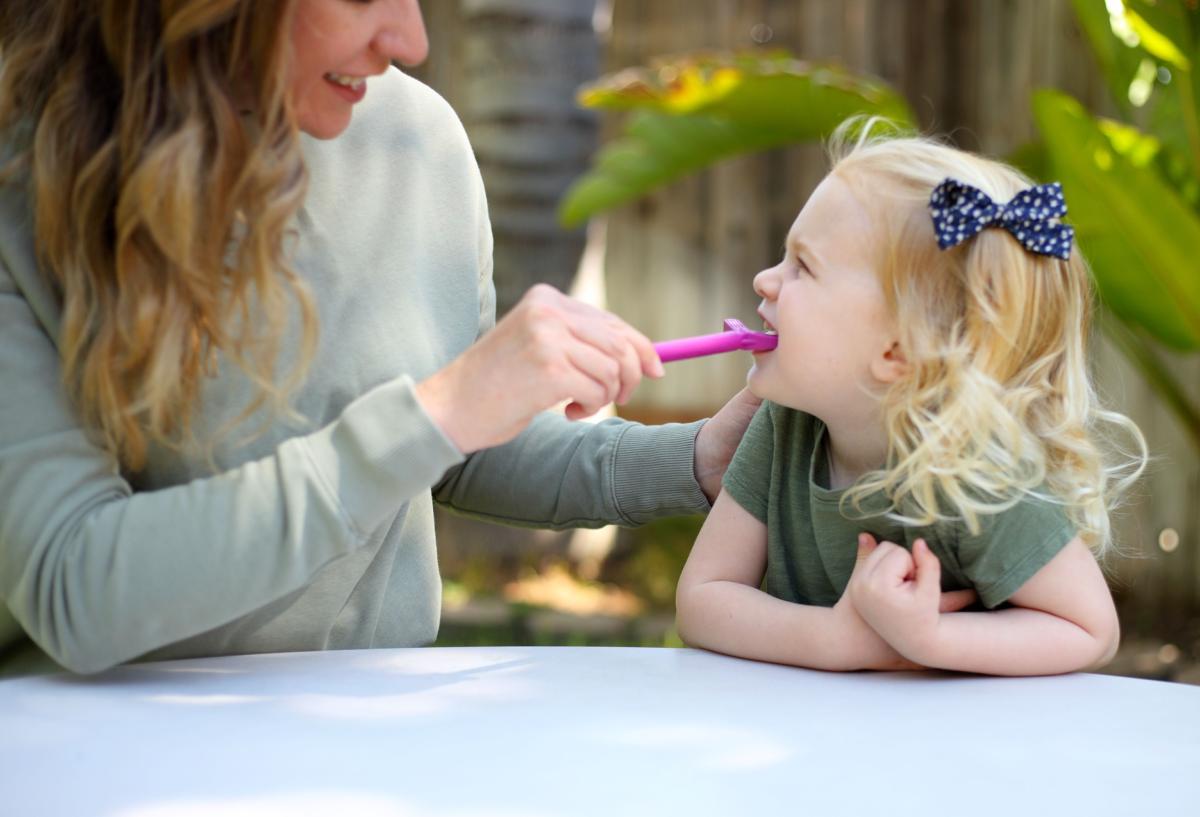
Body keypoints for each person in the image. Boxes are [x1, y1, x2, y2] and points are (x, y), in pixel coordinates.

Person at [0, 0, 760, 676]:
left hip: (372, 735)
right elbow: (74, 585)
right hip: (102, 752)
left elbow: (448, 456)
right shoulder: (20, 185)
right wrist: (440, 410)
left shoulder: (418, 138)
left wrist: (692, 461)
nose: (412, 39)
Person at [675, 121, 1147, 676]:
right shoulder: (787, 425)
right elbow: (702, 598)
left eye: (803, 266)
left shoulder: (977, 471)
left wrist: (930, 637)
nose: (764, 280)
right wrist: (836, 638)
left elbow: (1090, 630)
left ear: (898, 351)